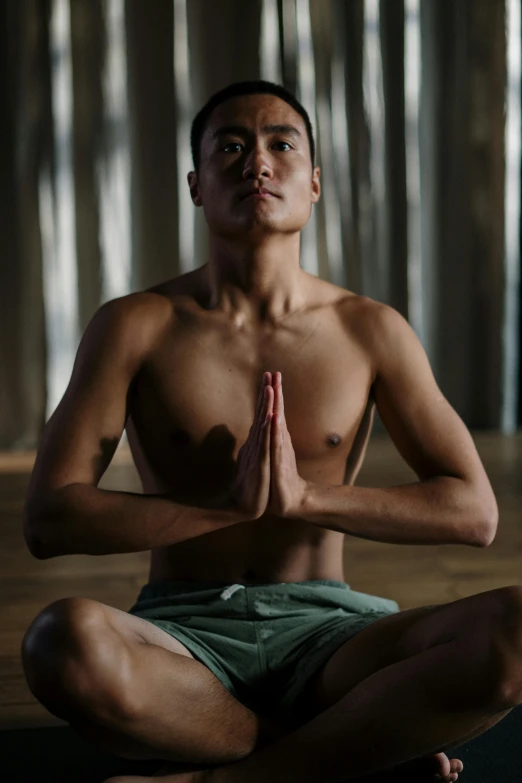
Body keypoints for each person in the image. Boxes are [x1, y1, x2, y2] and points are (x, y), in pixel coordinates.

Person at [20, 80, 522, 783]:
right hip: (181, 639)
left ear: (313, 183)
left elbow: (473, 512)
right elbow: (49, 516)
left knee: (514, 633)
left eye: (280, 144)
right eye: (230, 146)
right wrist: (222, 510)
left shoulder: (369, 328)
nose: (257, 162)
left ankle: (230, 775)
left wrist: (305, 499)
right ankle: (343, 754)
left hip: (333, 635)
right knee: (58, 642)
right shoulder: (135, 324)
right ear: (196, 185)